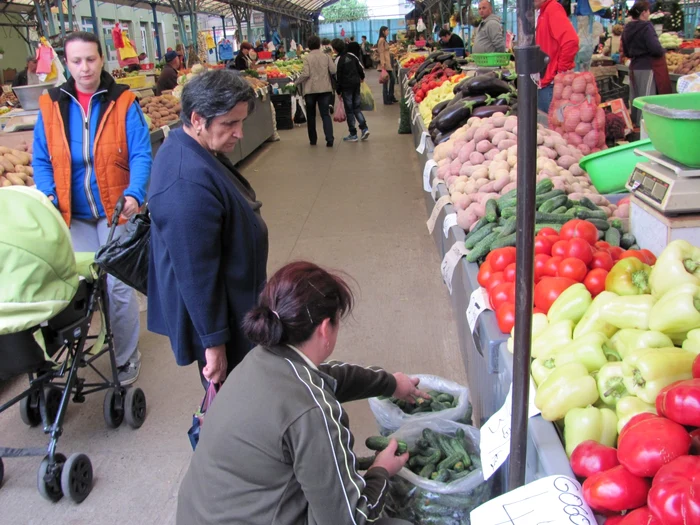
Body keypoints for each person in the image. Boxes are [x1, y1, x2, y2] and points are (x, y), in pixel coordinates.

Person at [176, 261, 423, 525]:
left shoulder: (257, 360)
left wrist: (391, 383)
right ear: (326, 328)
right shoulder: (313, 410)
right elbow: (349, 520)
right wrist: (380, 471)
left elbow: (329, 378)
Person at [33, 31, 151, 385]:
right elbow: (41, 158)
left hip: (116, 212)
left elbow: (141, 153)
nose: (84, 68)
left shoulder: (123, 101)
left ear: (103, 59)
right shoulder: (51, 103)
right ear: (65, 64)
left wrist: (135, 192)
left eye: (91, 59)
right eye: (76, 61)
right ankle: (88, 346)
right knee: (80, 285)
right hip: (73, 214)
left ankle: (126, 357)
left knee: (116, 286)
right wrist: (49, 196)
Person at [148, 70, 269, 386]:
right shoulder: (184, 182)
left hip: (237, 305)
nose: (239, 133)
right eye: (230, 123)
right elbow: (195, 273)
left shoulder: (195, 149)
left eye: (241, 122)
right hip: (223, 318)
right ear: (197, 118)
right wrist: (214, 345)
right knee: (233, 398)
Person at [621, 1, 671, 125]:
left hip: (633, 67)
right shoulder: (646, 27)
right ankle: (646, 128)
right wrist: (662, 51)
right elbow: (655, 48)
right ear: (644, 13)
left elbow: (625, 50)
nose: (649, 13)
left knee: (636, 99)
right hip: (647, 67)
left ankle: (636, 126)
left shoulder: (627, 28)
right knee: (647, 99)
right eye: (648, 11)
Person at [535, 0, 579, 113]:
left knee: (551, 126)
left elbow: (571, 41)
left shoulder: (553, 8)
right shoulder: (542, 13)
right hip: (544, 82)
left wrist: (560, 72)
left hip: (551, 85)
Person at [295, 35, 336, 147]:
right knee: (325, 115)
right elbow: (333, 70)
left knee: (311, 115)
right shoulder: (326, 56)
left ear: (308, 46)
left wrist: (296, 82)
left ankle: (313, 140)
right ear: (319, 45)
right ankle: (329, 139)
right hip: (325, 89)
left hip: (310, 90)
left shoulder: (307, 58)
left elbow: (306, 74)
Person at [332, 39, 369, 143]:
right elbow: (360, 69)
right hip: (356, 85)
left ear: (335, 49)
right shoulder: (352, 56)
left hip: (346, 87)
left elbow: (338, 76)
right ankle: (364, 128)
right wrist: (361, 78)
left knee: (349, 111)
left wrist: (338, 91)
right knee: (357, 108)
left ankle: (353, 134)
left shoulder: (338, 59)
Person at [377, 26, 397, 105]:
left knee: (391, 80)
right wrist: (383, 64)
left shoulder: (384, 40)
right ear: (383, 31)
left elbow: (386, 51)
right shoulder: (381, 40)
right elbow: (381, 52)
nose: (388, 32)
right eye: (387, 30)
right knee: (387, 81)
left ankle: (391, 96)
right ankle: (387, 99)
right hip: (385, 64)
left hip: (387, 63)